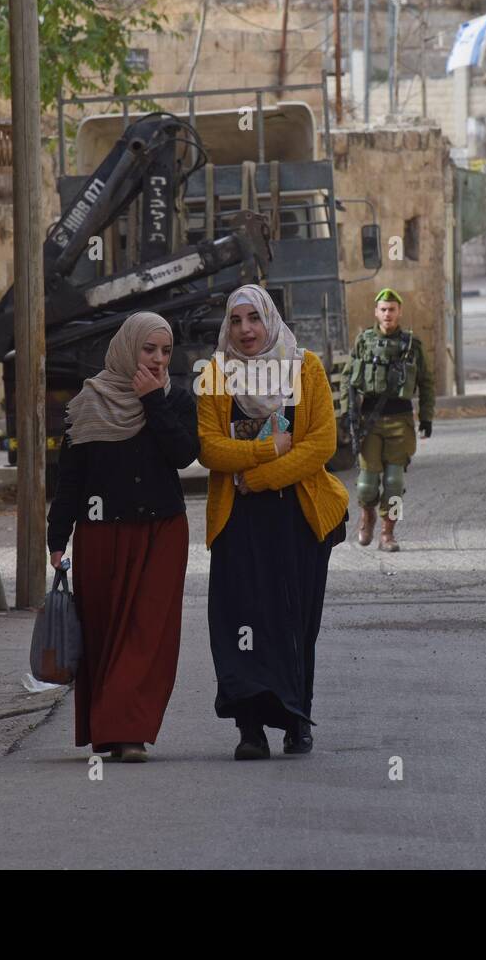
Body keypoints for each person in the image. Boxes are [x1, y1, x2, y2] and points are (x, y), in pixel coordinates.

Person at [197, 284, 349, 761]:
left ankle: (296, 720)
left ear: (270, 320)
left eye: (253, 319)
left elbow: (321, 444)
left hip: (298, 518)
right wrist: (267, 449)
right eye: (236, 321)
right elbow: (209, 448)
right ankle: (250, 729)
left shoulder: (305, 368)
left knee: (295, 621)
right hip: (238, 522)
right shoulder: (216, 374)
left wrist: (259, 477)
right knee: (242, 621)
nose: (245, 330)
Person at [46, 311, 199, 764]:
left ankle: (129, 731)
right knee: (107, 633)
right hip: (101, 537)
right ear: (127, 348)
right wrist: (58, 539)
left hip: (162, 535)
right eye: (148, 349)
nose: (156, 359)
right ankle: (108, 730)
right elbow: (69, 480)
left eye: (165, 351)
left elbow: (184, 455)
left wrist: (153, 403)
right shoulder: (88, 404)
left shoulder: (176, 400)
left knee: (147, 634)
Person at [347, 287, 434, 552]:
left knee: (394, 482)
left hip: (400, 420)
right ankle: (368, 515)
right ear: (376, 312)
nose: (387, 314)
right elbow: (348, 381)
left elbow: (427, 383)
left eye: (392, 309)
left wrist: (427, 418)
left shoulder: (411, 345)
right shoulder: (363, 342)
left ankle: (388, 532)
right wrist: (347, 416)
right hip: (369, 422)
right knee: (365, 485)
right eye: (383, 309)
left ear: (400, 312)